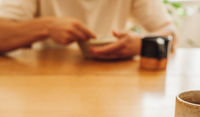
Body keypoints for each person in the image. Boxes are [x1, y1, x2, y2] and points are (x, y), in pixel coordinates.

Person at [0, 0, 176, 59]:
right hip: (47, 84)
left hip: (117, 83)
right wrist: (47, 26)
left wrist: (142, 44)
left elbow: (170, 33)